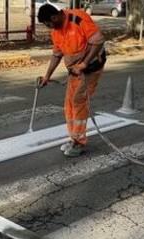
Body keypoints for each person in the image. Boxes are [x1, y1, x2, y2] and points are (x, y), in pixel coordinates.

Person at [37, 4, 106, 157]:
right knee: (69, 103)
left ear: (54, 18)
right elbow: (56, 55)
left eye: (48, 24)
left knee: (78, 101)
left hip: (91, 68)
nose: (48, 28)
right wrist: (47, 76)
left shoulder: (78, 18)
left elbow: (98, 41)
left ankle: (79, 142)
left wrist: (84, 63)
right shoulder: (56, 32)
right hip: (75, 72)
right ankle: (74, 138)